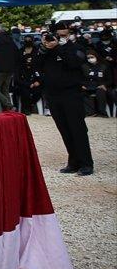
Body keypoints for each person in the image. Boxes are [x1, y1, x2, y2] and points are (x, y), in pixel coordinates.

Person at [37, 23, 93, 176]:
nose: (62, 37)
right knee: (64, 129)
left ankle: (86, 163)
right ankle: (73, 162)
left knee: (77, 129)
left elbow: (74, 63)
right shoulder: (47, 49)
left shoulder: (75, 47)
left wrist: (58, 47)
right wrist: (44, 49)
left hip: (71, 94)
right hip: (53, 95)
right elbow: (37, 65)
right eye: (59, 35)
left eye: (64, 35)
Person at [0, 22, 21, 112]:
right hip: (10, 69)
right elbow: (17, 52)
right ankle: (9, 109)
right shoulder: (10, 39)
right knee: (5, 89)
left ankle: (9, 105)